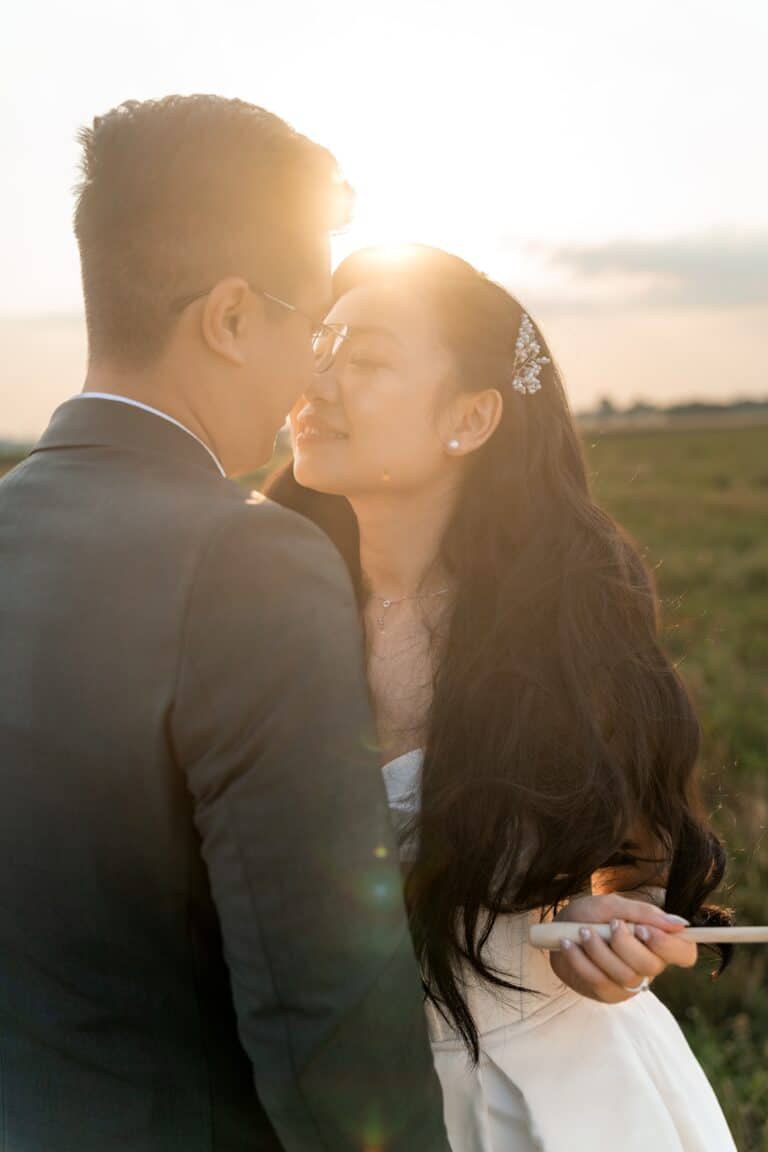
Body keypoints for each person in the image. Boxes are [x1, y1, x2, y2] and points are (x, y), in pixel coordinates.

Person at [0, 99, 452, 1152]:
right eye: (312, 328)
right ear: (233, 317)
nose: (311, 377)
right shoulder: (248, 561)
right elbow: (326, 1007)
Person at [266, 243, 739, 1151]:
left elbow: (636, 866)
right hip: (325, 1102)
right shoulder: (260, 596)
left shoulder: (563, 622)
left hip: (543, 1098)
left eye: (367, 361)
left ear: (472, 417)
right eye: (321, 346)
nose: (314, 381)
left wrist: (611, 939)